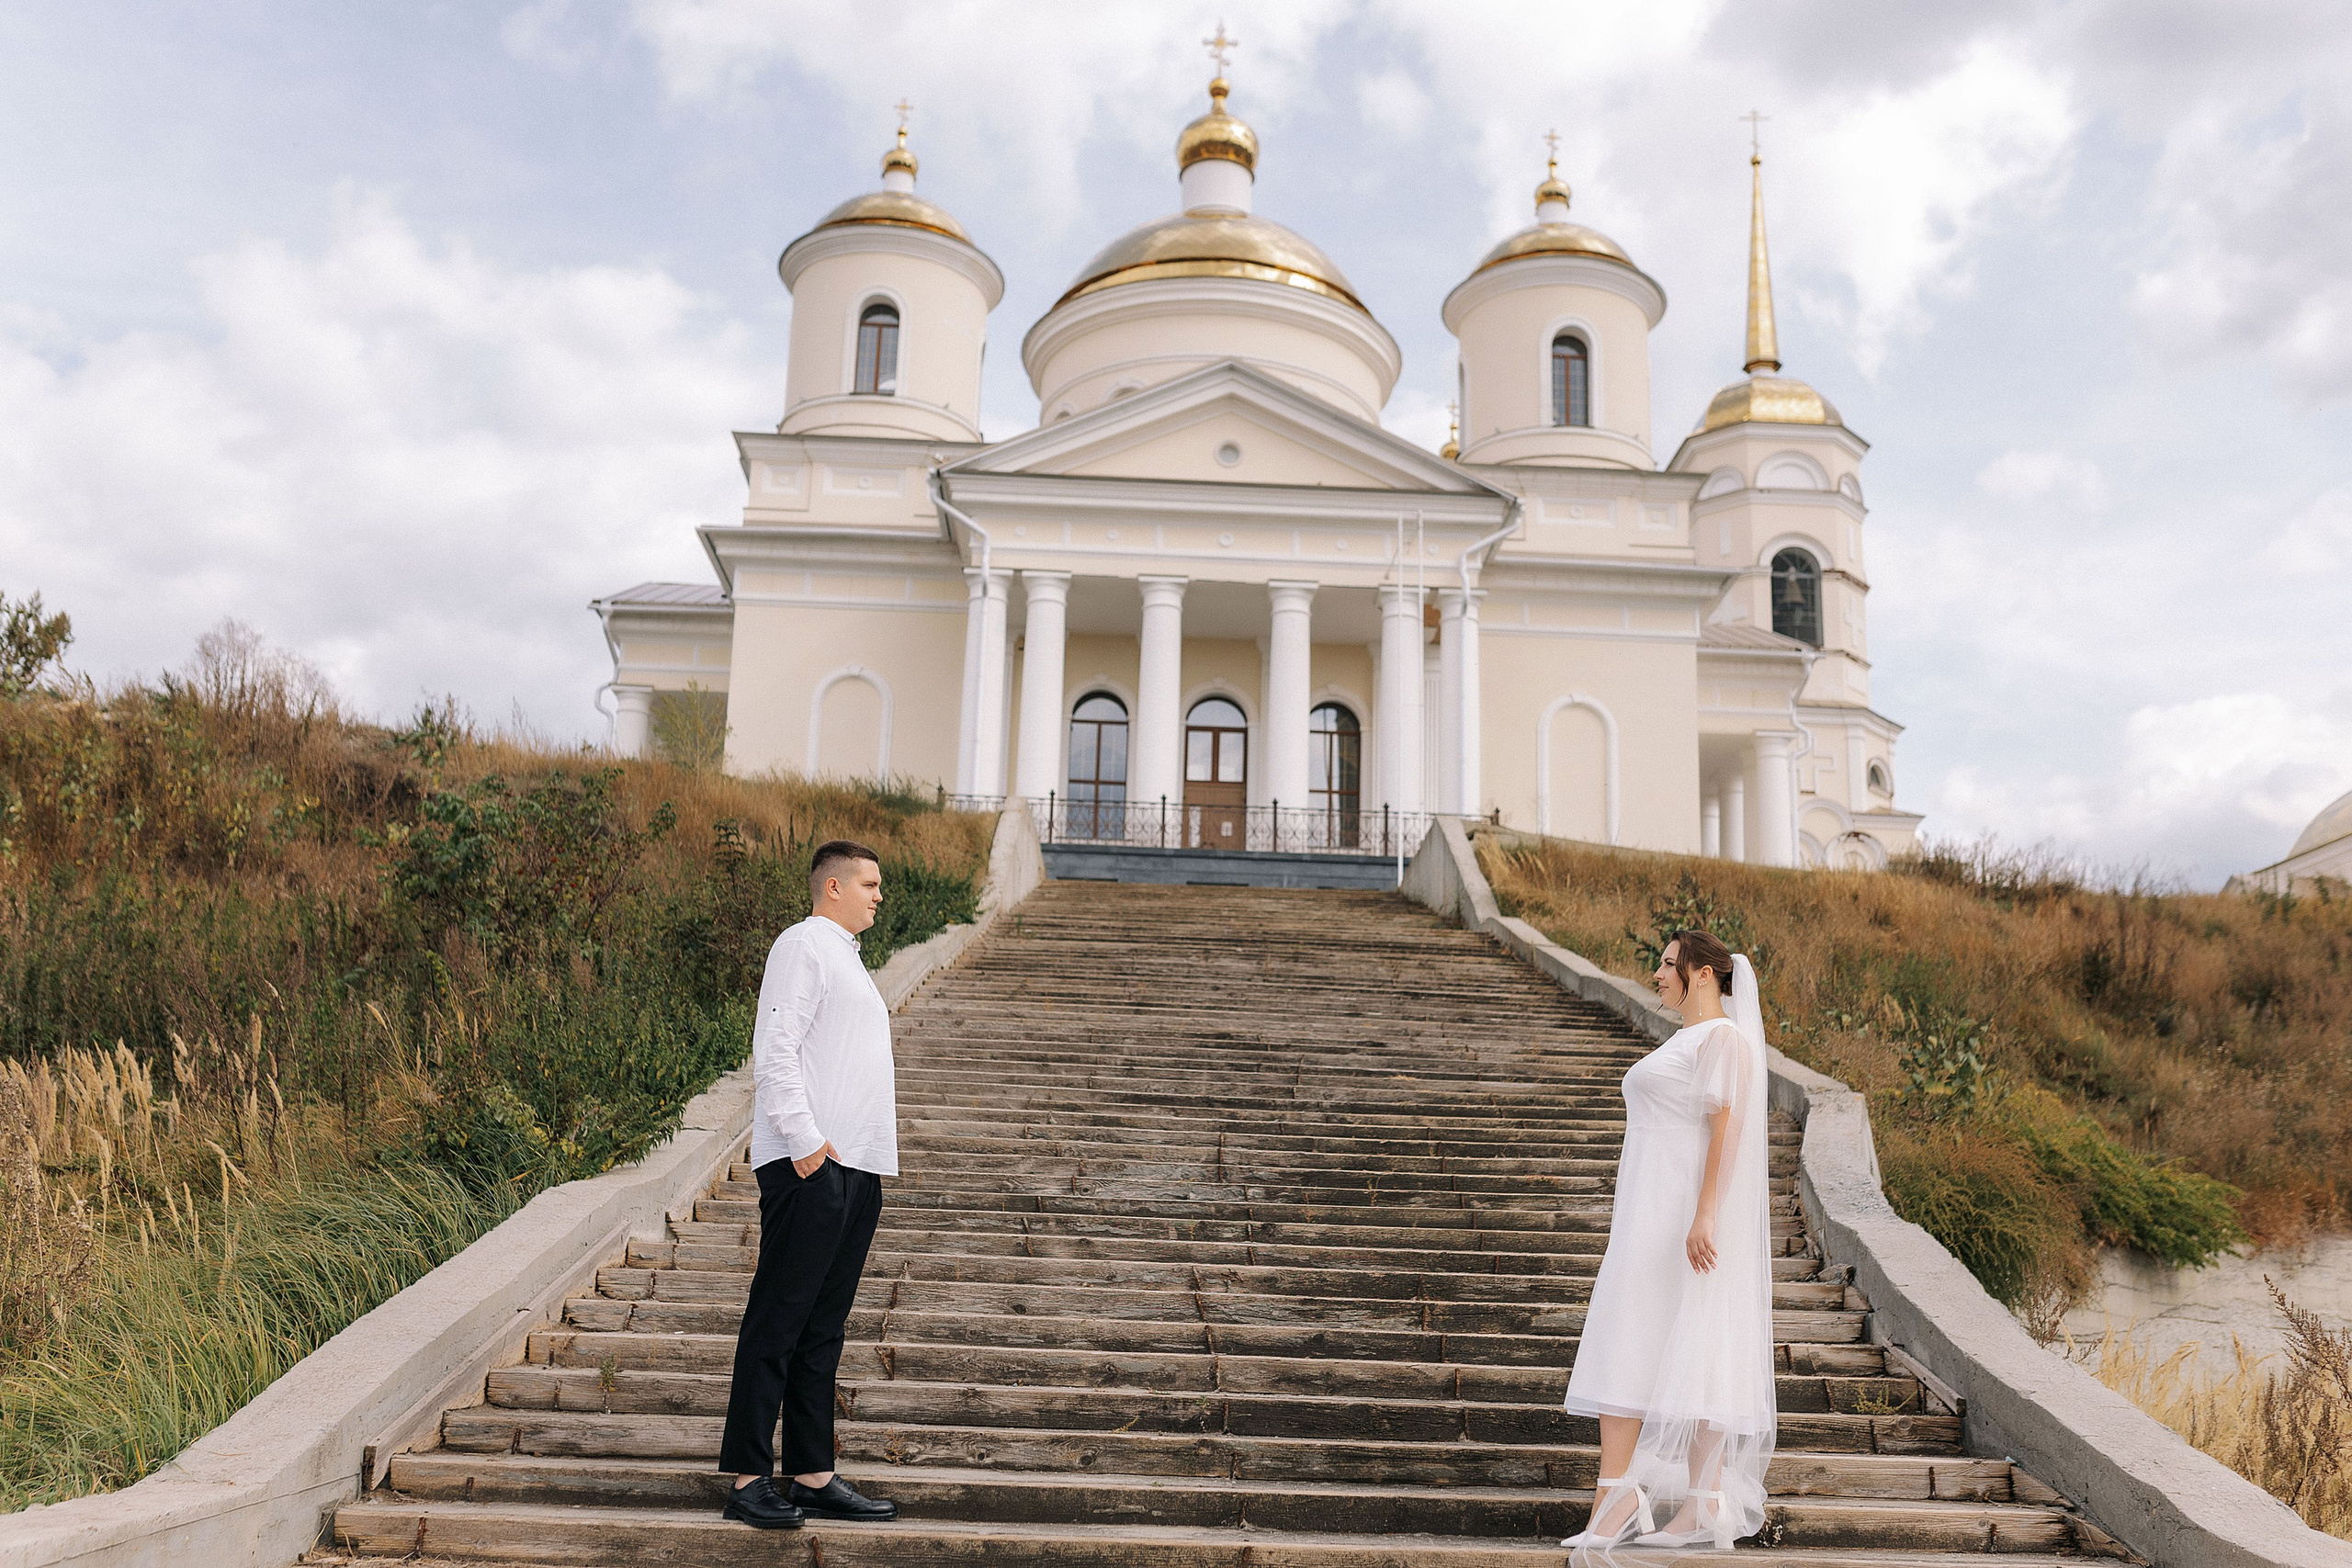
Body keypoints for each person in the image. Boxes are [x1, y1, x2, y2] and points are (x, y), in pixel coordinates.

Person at [1561, 929, 1776, 1562]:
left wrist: (1706, 1212)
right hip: (1647, 1213)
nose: (1657, 974)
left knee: (1689, 1340)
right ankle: (1625, 1494)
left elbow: (1725, 1127)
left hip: (1680, 1216)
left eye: (1667, 964)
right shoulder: (1686, 1041)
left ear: (1703, 974)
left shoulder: (1723, 1039)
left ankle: (1686, 1498)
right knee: (1630, 1335)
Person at [718, 840, 902, 1530]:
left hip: (855, 1166)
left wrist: (857, 1164)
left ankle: (811, 1471)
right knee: (779, 1317)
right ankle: (745, 1476)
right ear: (832, 886)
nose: (878, 894)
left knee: (821, 1328)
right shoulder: (804, 944)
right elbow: (776, 1044)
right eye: (869, 882)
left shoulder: (849, 960)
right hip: (812, 1165)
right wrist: (805, 1145)